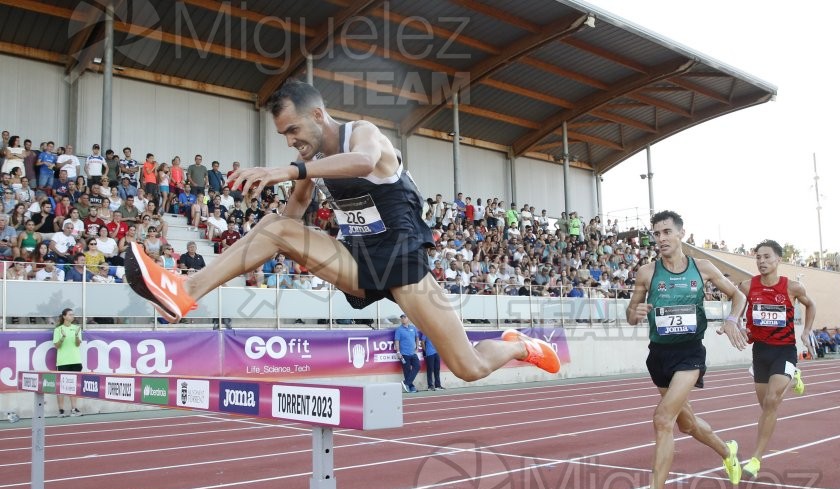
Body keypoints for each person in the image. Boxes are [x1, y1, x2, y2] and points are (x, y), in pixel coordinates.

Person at [124, 80, 559, 382]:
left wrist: (286, 170)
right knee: (276, 226)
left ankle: (519, 346)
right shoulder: (310, 162)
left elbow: (364, 164)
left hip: (403, 259)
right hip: (359, 259)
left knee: (467, 367)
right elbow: (290, 220)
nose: (290, 141)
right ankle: (184, 291)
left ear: (318, 115)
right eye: (283, 135)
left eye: (293, 130)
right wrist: (268, 228)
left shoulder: (362, 134)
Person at [620, 210, 747, 489]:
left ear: (680, 234)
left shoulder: (702, 269)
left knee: (663, 419)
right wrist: (635, 311)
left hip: (690, 354)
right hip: (659, 357)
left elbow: (738, 295)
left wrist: (732, 319)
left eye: (666, 232)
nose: (660, 238)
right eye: (656, 233)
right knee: (686, 424)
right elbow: (630, 315)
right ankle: (727, 451)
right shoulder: (647, 273)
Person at [736, 240, 816, 479]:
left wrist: (806, 331)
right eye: (758, 257)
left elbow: (811, 305)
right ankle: (794, 377)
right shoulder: (747, 286)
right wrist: (735, 323)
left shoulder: (792, 287)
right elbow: (736, 308)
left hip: (784, 350)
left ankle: (756, 459)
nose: (762, 261)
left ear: (778, 259)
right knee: (765, 407)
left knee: (772, 401)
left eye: (767, 257)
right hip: (760, 352)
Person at [52, 308, 83, 417]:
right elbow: (56, 346)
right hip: (63, 362)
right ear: (64, 316)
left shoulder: (76, 328)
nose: (72, 316)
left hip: (76, 361)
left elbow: (78, 344)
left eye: (73, 315)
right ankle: (61, 410)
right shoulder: (58, 329)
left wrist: (76, 335)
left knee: (74, 386)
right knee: (61, 386)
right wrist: (63, 337)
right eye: (70, 315)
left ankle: (74, 409)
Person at [394, 314, 421, 393]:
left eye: (404, 317)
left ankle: (406, 383)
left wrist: (417, 348)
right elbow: (397, 341)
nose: (402, 319)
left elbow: (417, 337)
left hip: (413, 353)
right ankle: (411, 387)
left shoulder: (413, 328)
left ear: (408, 318)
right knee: (407, 371)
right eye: (401, 318)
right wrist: (398, 352)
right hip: (404, 354)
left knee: (417, 366)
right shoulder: (399, 330)